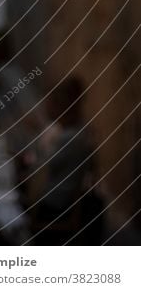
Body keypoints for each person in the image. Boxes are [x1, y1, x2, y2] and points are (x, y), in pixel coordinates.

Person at [31, 76, 104, 244]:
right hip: (57, 199)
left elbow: (40, 167)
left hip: (55, 206)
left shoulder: (70, 137)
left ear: (60, 106)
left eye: (49, 103)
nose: (45, 108)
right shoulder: (72, 131)